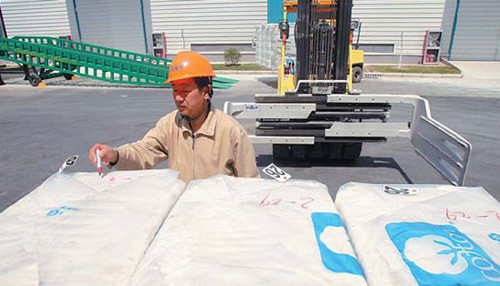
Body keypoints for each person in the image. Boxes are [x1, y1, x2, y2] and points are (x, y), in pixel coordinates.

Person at [89, 51, 259, 183]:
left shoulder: (230, 131)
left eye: (185, 90)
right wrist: (116, 155)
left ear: (206, 92)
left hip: (218, 215)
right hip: (181, 214)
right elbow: (143, 151)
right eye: (175, 90)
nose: (178, 97)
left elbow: (249, 183)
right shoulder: (170, 124)